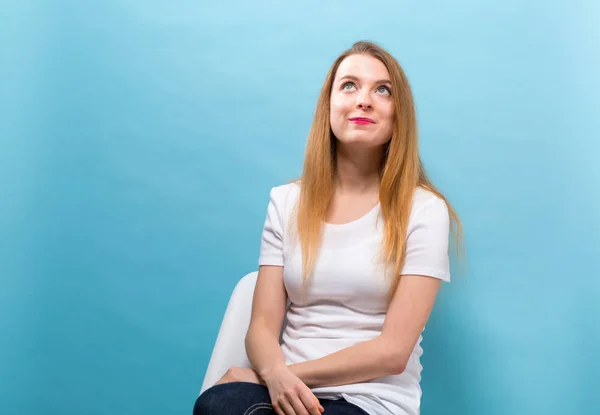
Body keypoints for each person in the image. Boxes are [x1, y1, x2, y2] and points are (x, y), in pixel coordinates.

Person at [194, 40, 462, 415]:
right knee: (217, 406)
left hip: (371, 400)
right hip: (280, 391)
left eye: (382, 90)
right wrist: (275, 376)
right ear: (329, 106)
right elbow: (261, 326)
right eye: (349, 85)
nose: (363, 100)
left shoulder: (425, 210)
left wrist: (278, 374)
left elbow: (393, 352)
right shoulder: (286, 202)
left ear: (399, 113)